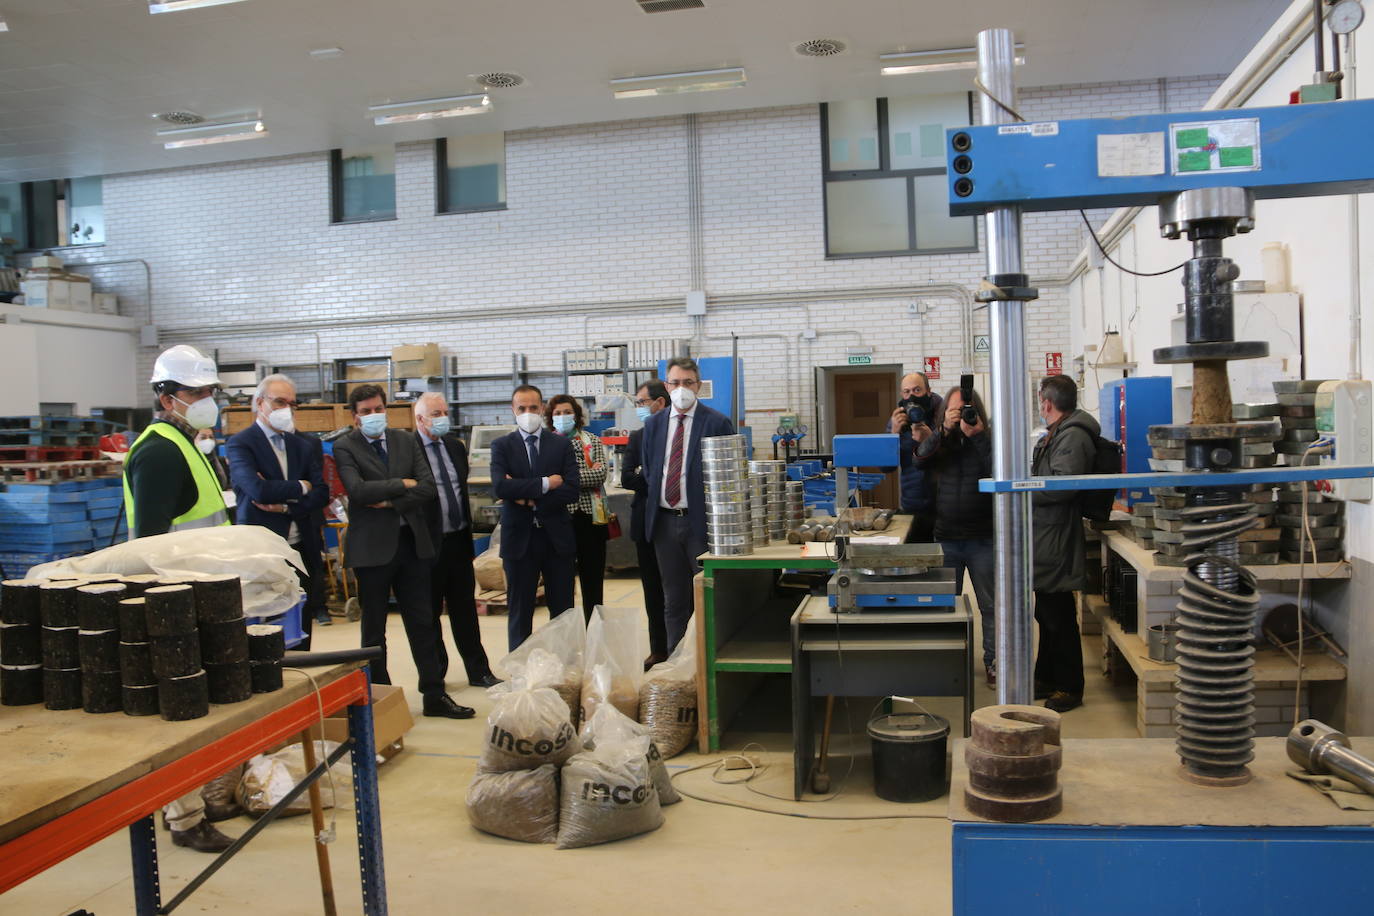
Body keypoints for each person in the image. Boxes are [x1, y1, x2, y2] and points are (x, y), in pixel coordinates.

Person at [122, 344, 234, 853]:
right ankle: (184, 818)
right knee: (180, 711)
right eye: (195, 392)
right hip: (174, 603)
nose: (206, 400)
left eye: (210, 391)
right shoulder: (160, 451)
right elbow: (150, 541)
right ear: (166, 398)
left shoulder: (188, 444)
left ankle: (196, 803)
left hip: (202, 596)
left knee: (200, 709)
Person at [333, 384, 472, 720]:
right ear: (355, 417)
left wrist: (391, 498)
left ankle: (434, 695)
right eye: (366, 412)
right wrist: (402, 484)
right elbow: (358, 491)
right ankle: (379, 697)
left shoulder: (405, 440)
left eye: (378, 408)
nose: (373, 416)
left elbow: (426, 487)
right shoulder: (344, 446)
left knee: (423, 622)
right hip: (372, 551)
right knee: (374, 629)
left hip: (411, 545)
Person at [225, 374, 332, 647]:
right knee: (266, 625)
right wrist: (301, 486)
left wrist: (285, 504)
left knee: (302, 619)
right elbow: (258, 491)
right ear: (260, 403)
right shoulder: (240, 443)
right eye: (280, 402)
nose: (287, 410)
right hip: (263, 548)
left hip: (301, 546)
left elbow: (321, 493)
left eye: (292, 404)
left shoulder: (303, 445)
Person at [641, 357, 735, 652]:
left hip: (702, 525)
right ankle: (675, 668)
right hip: (664, 524)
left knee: (709, 599)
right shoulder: (654, 424)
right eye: (675, 383)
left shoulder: (717, 422)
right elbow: (650, 470)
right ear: (667, 386)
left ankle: (708, 666)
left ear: (698, 386)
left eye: (688, 383)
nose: (681, 389)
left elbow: (729, 475)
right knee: (674, 601)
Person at [413, 393, 499, 689]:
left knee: (465, 610)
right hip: (428, 545)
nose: (443, 418)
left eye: (445, 412)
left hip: (459, 542)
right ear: (420, 419)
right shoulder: (409, 450)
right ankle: (436, 673)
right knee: (430, 613)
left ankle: (479, 671)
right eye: (436, 413)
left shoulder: (454, 447)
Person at [916, 384, 996, 687]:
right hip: (946, 536)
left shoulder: (988, 439)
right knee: (943, 603)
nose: (961, 414)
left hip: (983, 537)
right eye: (954, 410)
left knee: (990, 606)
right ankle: (949, 662)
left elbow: (998, 470)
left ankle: (994, 663)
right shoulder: (940, 441)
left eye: (965, 408)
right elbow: (919, 460)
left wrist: (978, 436)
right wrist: (944, 430)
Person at [491, 385, 579, 651]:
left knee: (563, 610)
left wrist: (525, 495)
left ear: (542, 409)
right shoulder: (502, 446)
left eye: (533, 408)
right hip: (519, 541)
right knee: (520, 610)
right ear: (513, 410)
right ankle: (521, 673)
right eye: (522, 408)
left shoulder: (561, 445)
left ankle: (564, 669)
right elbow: (500, 487)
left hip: (556, 540)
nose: (528, 413)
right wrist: (544, 484)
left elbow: (571, 490)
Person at [1031, 374, 1100, 713]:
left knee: (1058, 615)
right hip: (1046, 534)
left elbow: (1062, 486)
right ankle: (1045, 676)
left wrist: (1024, 490)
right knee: (1045, 612)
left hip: (1056, 536)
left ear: (1047, 402)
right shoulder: (1059, 434)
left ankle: (1070, 686)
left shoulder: (1072, 436)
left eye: (1040, 400)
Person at [546, 394, 610, 621]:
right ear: (550, 418)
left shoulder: (592, 440)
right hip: (560, 518)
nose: (563, 417)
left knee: (593, 580)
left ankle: (594, 632)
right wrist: (562, 480)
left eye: (567, 412)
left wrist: (566, 479)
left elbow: (601, 474)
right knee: (562, 582)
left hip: (591, 518)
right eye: (557, 413)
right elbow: (546, 480)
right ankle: (567, 634)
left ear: (577, 415)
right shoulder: (547, 443)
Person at [623, 379, 669, 669]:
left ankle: (684, 646)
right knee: (653, 591)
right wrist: (659, 480)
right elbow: (627, 477)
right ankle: (659, 650)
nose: (639, 408)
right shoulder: (638, 438)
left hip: (676, 522)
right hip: (646, 524)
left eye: (641, 402)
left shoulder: (676, 435)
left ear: (659, 403)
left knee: (680, 592)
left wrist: (648, 477)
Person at [887, 372, 943, 542]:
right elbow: (886, 467)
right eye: (906, 392)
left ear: (929, 392)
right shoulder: (897, 421)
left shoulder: (943, 416)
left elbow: (955, 459)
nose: (911, 396)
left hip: (944, 507)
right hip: (912, 506)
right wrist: (893, 434)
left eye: (917, 390)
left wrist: (931, 440)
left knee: (944, 565)